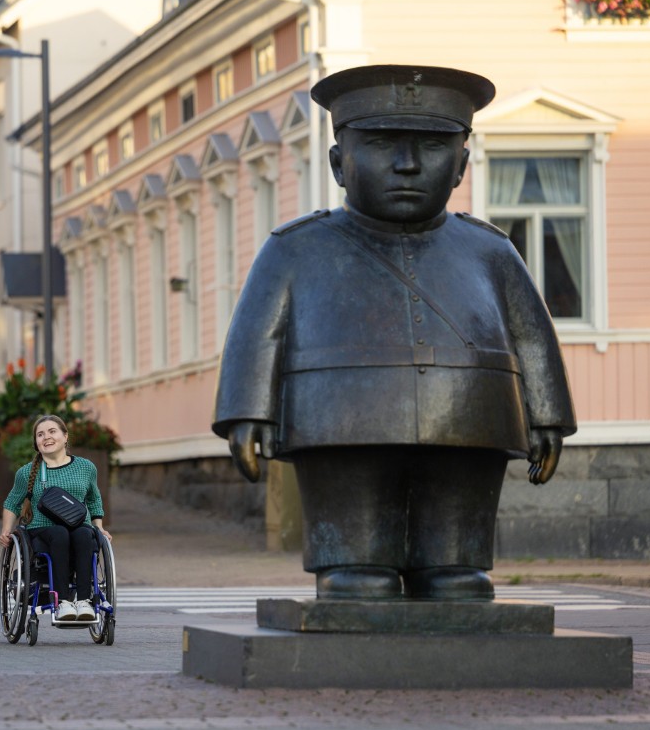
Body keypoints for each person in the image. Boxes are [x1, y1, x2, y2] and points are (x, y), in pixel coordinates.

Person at [213, 65, 576, 602]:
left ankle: (454, 559)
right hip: (340, 422)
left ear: (461, 166)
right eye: (383, 144)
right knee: (357, 575)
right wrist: (246, 411)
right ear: (340, 162)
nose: (407, 165)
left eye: (431, 147)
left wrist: (546, 414)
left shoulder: (492, 251)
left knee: (457, 576)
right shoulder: (295, 248)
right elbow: (256, 334)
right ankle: (351, 557)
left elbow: (530, 333)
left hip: (469, 419)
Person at [0, 415, 110, 621]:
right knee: (60, 533)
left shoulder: (86, 467)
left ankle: (84, 601)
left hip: (78, 525)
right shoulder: (26, 473)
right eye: (40, 434)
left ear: (65, 436)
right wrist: (6, 530)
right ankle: (64, 602)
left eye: (52, 432)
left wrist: (99, 526)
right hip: (42, 529)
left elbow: (94, 499)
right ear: (36, 443)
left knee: (84, 535)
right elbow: (11, 503)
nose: (46, 437)